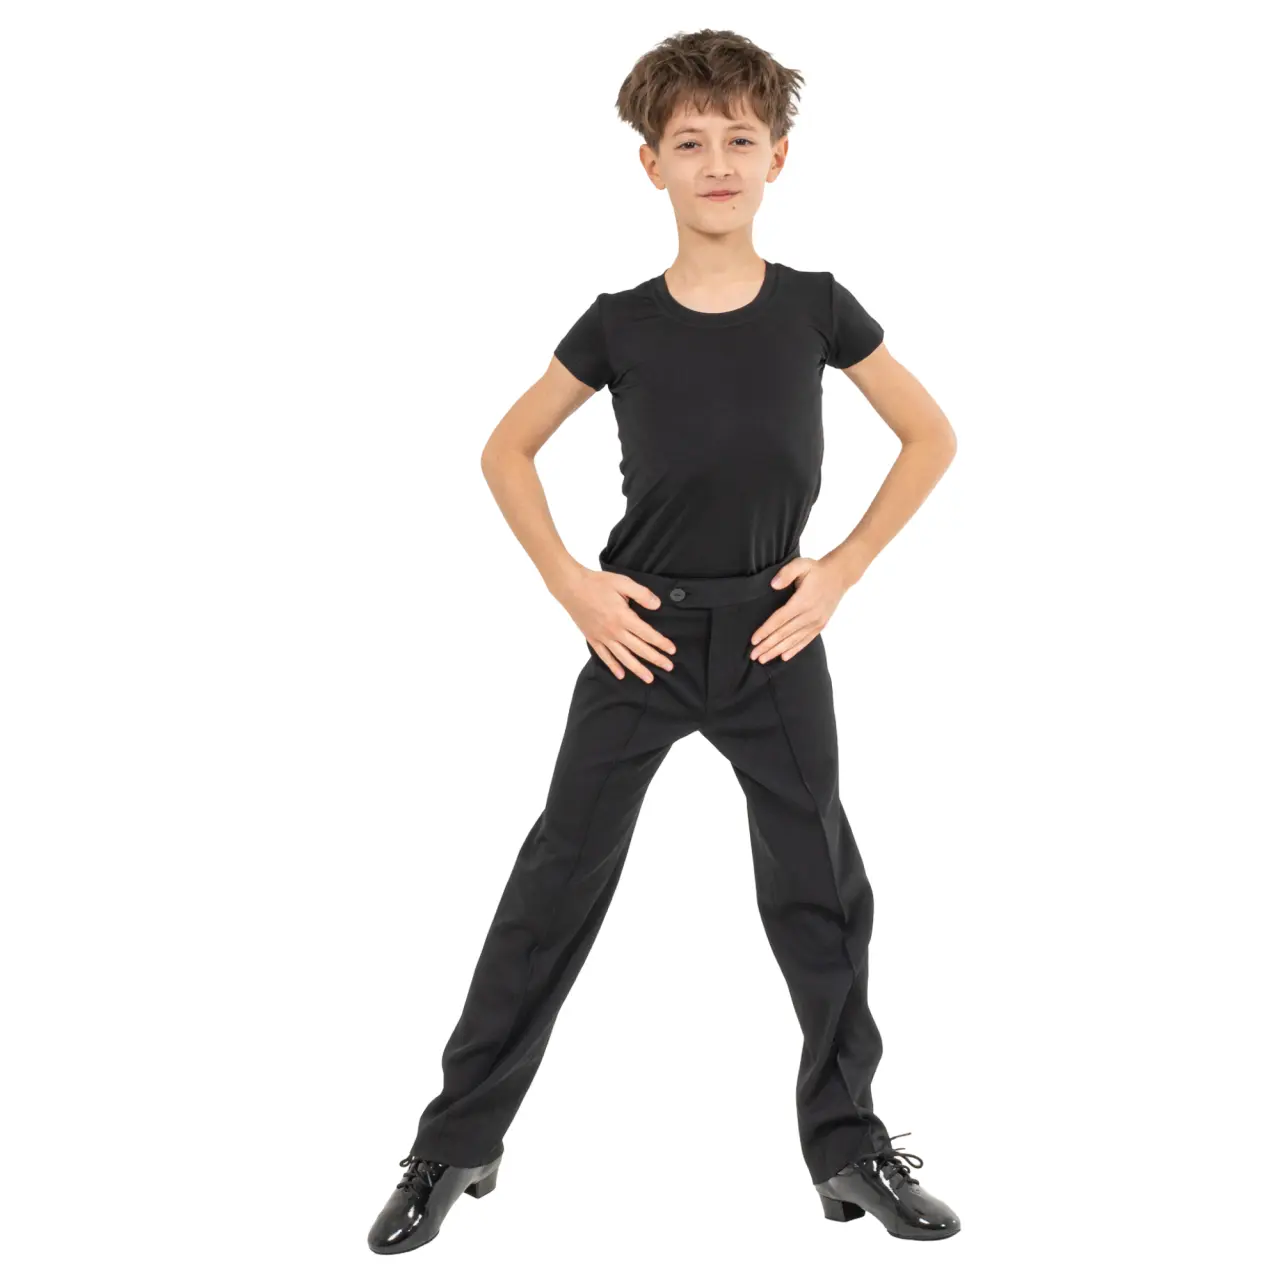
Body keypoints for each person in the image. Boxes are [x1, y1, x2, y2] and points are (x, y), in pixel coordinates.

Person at [368, 28, 961, 1253]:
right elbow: (504, 448)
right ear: (650, 164)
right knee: (552, 884)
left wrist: (841, 568)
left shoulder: (815, 306)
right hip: (636, 636)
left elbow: (929, 435)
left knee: (819, 891)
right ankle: (456, 1139)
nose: (717, 162)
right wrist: (572, 586)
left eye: (740, 138)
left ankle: (847, 1145)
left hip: (774, 637)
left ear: (778, 156)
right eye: (689, 142)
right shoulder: (618, 323)